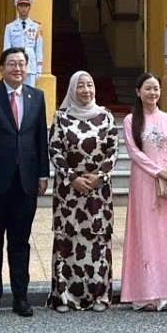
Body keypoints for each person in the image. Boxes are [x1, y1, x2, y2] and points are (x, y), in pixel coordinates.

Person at [0, 47, 49, 317]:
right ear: (1, 68)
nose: (17, 68)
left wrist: (43, 174)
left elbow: (40, 138)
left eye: (22, 64)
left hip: (25, 182)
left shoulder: (36, 97)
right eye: (12, 63)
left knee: (20, 242)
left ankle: (20, 297)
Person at [46, 71, 118, 312]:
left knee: (97, 240)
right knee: (67, 239)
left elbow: (113, 151)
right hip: (69, 191)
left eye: (90, 85)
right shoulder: (61, 118)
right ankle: (64, 296)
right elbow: (55, 150)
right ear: (72, 90)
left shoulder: (106, 116)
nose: (86, 90)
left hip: (98, 191)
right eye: (80, 86)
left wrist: (100, 177)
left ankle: (99, 296)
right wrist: (72, 177)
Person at [120, 72, 167, 311]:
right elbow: (134, 153)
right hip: (144, 180)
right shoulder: (130, 120)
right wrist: (158, 171)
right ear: (138, 92)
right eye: (148, 88)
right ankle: (145, 294)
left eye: (156, 88)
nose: (153, 93)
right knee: (145, 234)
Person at [3, 0, 44, 87]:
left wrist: (39, 68)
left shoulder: (36, 26)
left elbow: (38, 48)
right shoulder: (10, 27)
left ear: (29, 7)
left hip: (30, 65)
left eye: (26, 6)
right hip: (15, 64)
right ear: (17, 7)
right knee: (15, 90)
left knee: (29, 92)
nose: (24, 8)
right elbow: (6, 48)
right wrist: (6, 66)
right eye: (21, 6)